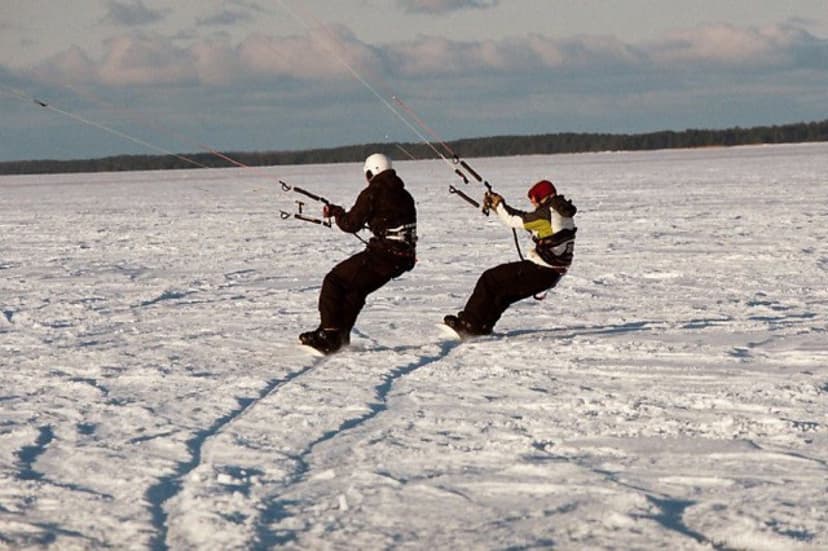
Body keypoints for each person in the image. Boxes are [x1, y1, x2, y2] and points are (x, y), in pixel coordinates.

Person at [299, 153, 417, 354]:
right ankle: (339, 335)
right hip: (403, 258)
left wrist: (336, 213)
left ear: (372, 172)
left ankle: (329, 334)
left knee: (334, 281)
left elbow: (350, 224)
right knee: (356, 290)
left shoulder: (373, 192)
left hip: (383, 256)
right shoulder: (404, 194)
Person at [444, 179, 577, 337]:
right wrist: (499, 208)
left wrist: (500, 204)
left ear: (541, 196)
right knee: (503, 293)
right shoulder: (560, 211)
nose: (533, 204)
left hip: (541, 270)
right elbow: (530, 223)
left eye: (533, 199)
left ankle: (467, 324)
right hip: (550, 274)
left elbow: (515, 220)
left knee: (490, 279)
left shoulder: (547, 212)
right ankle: (482, 327)